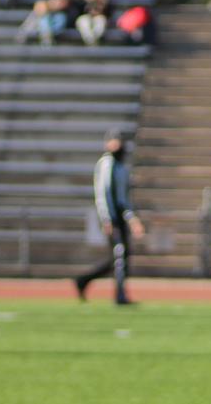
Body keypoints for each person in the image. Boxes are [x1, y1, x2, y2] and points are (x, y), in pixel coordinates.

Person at [74, 129, 145, 305]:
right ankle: (119, 295)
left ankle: (84, 280)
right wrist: (107, 219)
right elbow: (103, 194)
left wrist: (132, 219)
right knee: (119, 255)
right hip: (112, 218)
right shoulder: (106, 164)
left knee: (119, 257)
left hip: (120, 217)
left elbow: (123, 199)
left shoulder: (121, 167)